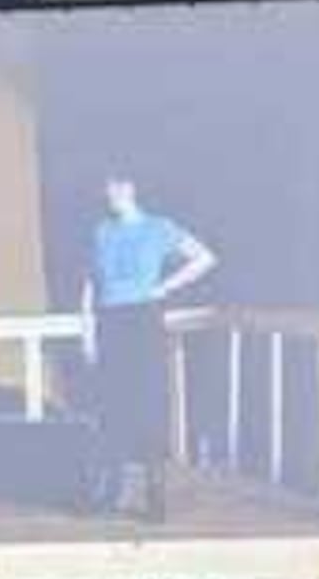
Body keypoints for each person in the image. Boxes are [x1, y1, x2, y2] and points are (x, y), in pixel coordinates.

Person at [84, 177, 220, 518]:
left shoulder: (159, 228)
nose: (110, 195)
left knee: (147, 400)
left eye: (116, 187)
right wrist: (87, 328)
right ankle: (110, 490)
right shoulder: (102, 230)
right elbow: (90, 282)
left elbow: (204, 258)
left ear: (132, 189)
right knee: (111, 403)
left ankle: (154, 491)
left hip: (142, 317)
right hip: (109, 318)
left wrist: (164, 287)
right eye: (107, 188)